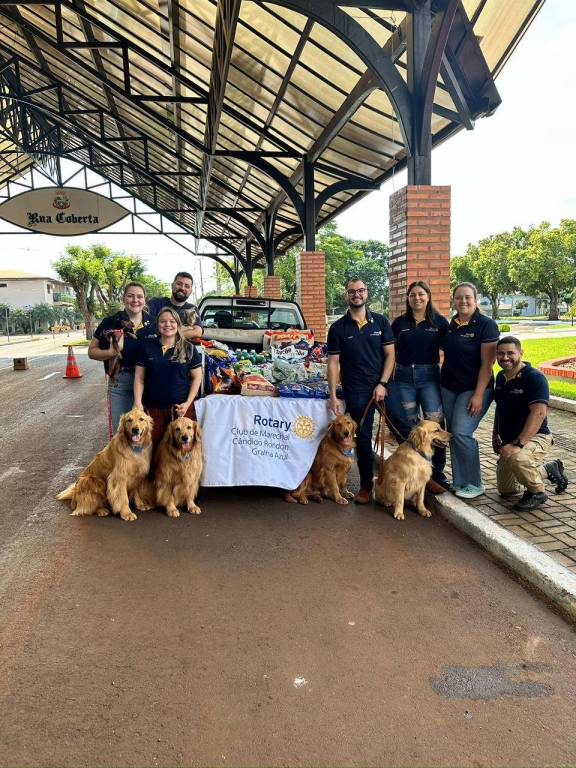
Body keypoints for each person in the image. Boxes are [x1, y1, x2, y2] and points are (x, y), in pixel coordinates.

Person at [327, 278, 395, 504]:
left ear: (366, 293)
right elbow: (333, 363)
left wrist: (382, 383)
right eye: (352, 291)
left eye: (360, 290)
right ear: (346, 295)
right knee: (364, 437)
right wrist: (333, 396)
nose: (356, 294)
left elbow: (390, 355)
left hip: (383, 387)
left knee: (404, 427)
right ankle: (366, 486)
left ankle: (425, 477)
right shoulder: (338, 328)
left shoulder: (381, 322)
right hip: (355, 390)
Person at [493, 336, 568, 511]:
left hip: (536, 436)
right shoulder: (501, 377)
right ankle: (549, 469)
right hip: (510, 439)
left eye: (510, 353)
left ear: (521, 353)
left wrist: (517, 444)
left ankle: (537, 493)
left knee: (517, 458)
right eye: (501, 354)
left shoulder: (534, 378)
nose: (505, 357)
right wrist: (495, 433)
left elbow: (539, 413)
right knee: (507, 490)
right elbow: (500, 407)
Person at [440, 282, 499, 499]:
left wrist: (478, 394)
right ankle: (461, 482)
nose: (463, 301)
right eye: (458, 297)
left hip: (474, 388)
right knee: (454, 434)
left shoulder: (486, 325)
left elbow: (487, 365)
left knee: (461, 432)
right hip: (449, 387)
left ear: (475, 300)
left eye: (467, 297)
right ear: (453, 300)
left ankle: (474, 483)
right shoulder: (452, 324)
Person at [391, 280, 450, 489]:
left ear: (428, 296)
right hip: (404, 377)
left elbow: (452, 350)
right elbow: (390, 352)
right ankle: (412, 466)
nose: (417, 298)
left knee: (435, 424)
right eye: (413, 295)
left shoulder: (439, 322)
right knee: (410, 425)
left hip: (429, 376)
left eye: (421, 294)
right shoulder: (399, 323)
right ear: (408, 298)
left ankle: (437, 472)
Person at [88, 281, 155, 434]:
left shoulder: (155, 323)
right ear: (123, 298)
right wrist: (111, 352)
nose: (135, 300)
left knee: (147, 433)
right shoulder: (110, 322)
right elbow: (92, 351)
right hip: (121, 381)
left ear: (145, 299)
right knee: (122, 433)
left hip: (149, 382)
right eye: (130, 296)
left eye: (139, 296)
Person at [134, 307, 203, 446]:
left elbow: (197, 377)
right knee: (154, 448)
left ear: (178, 324)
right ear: (157, 324)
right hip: (153, 409)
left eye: (172, 321)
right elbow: (139, 378)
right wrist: (138, 403)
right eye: (163, 321)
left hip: (180, 409)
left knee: (180, 450)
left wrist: (188, 403)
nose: (167, 324)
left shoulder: (189, 348)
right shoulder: (147, 347)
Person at [147, 271, 203, 339]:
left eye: (187, 286)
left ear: (190, 291)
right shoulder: (156, 303)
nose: (182, 288)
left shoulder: (192, 309)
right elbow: (147, 327)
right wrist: (186, 329)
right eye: (179, 284)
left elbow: (198, 332)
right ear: (172, 285)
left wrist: (166, 335)